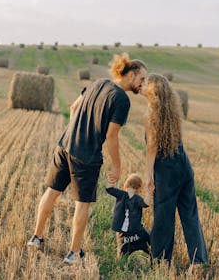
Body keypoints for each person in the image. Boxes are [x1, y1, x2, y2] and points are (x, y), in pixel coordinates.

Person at [27, 53, 147, 264]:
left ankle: (36, 238)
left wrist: (76, 132)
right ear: (131, 75)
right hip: (86, 156)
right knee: (82, 204)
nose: (143, 84)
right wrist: (117, 167)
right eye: (142, 79)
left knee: (51, 192)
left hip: (64, 145)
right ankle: (73, 253)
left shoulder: (98, 82)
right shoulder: (121, 100)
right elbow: (111, 135)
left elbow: (73, 108)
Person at [141, 73, 208, 265]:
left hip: (166, 172)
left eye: (145, 83)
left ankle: (161, 261)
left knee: (163, 219)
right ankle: (199, 261)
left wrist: (149, 178)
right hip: (184, 167)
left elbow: (151, 148)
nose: (141, 84)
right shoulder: (173, 111)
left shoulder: (150, 115)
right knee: (190, 217)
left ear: (153, 91)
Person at [106, 173, 150, 259]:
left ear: (126, 185)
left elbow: (109, 189)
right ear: (138, 188)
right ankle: (156, 257)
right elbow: (146, 204)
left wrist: (111, 180)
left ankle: (120, 262)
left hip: (123, 235)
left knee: (122, 252)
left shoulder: (121, 194)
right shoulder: (137, 198)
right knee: (149, 243)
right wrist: (149, 193)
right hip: (137, 232)